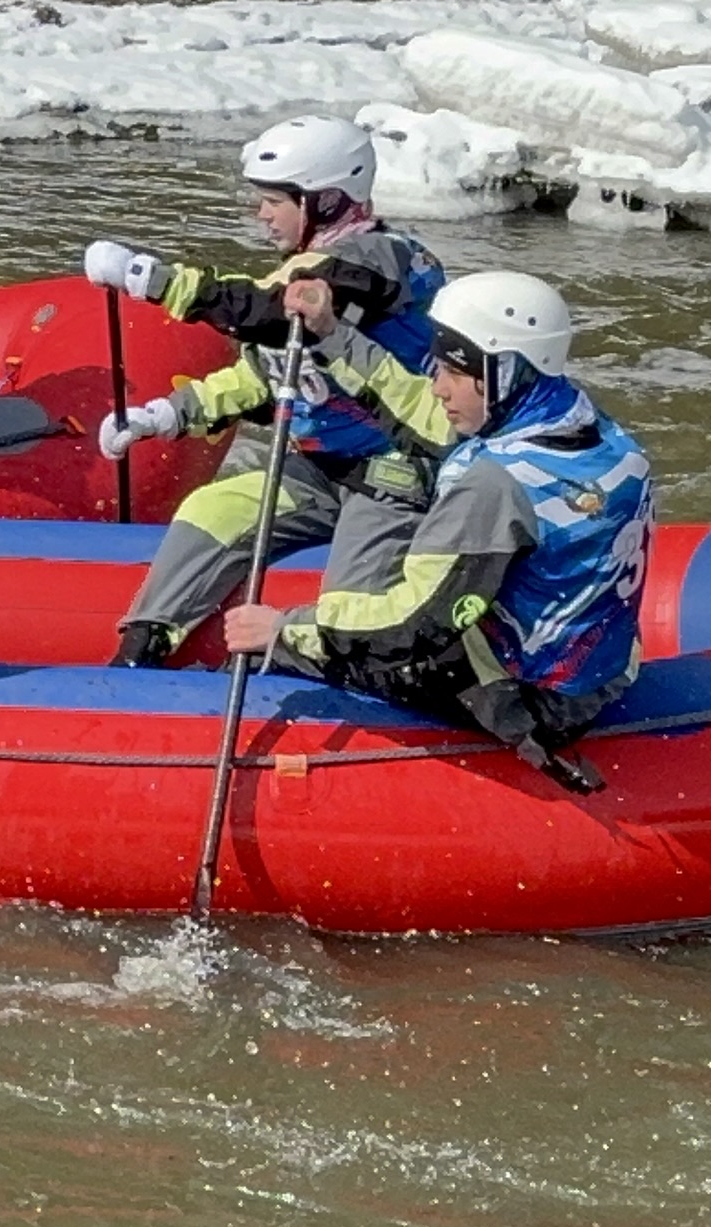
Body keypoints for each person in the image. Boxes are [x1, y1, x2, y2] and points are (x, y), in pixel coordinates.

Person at [219, 271, 653, 794]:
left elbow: (410, 630)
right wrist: (332, 333)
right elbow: (413, 409)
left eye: (453, 371)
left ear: (503, 370)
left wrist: (282, 629)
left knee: (300, 645)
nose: (438, 386)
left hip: (529, 701)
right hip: (605, 673)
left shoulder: (493, 486)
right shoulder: (596, 430)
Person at [81, 114, 449, 668]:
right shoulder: (308, 267)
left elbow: (266, 316)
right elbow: (268, 373)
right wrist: (168, 415)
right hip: (321, 469)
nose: (261, 214)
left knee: (349, 606)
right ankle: (143, 651)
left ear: (326, 201)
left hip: (392, 478)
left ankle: (321, 680)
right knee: (212, 508)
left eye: (274, 201)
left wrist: (149, 279)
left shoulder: (377, 260)